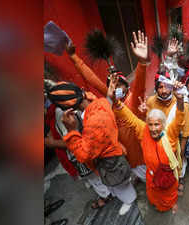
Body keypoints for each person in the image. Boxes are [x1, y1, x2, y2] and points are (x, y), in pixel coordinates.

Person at [65, 30, 149, 182]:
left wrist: (142, 63)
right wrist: (73, 57)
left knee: (146, 175)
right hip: (121, 153)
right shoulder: (109, 102)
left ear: (127, 87)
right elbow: (91, 78)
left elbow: (140, 84)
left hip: (140, 154)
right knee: (134, 170)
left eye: (120, 85)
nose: (116, 87)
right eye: (112, 84)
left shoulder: (133, 101)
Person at [51, 82, 136, 216]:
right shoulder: (101, 102)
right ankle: (128, 192)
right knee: (121, 182)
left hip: (110, 165)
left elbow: (84, 155)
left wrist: (72, 131)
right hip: (116, 155)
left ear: (67, 109)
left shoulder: (92, 124)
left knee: (121, 187)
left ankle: (130, 200)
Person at [110, 74, 185, 213]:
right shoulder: (143, 131)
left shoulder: (170, 135)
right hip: (152, 180)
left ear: (163, 125)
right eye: (150, 124)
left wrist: (180, 100)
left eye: (157, 124)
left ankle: (170, 204)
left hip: (168, 180)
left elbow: (179, 119)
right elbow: (129, 117)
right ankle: (159, 204)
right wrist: (115, 100)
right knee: (154, 198)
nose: (153, 128)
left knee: (169, 198)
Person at [141, 71, 189, 195]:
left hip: (177, 141)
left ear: (171, 87)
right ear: (156, 88)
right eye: (160, 87)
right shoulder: (151, 101)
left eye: (166, 87)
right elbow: (149, 122)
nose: (163, 91)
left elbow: (185, 129)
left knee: (179, 162)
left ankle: (180, 179)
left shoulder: (180, 102)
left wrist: (182, 148)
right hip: (159, 141)